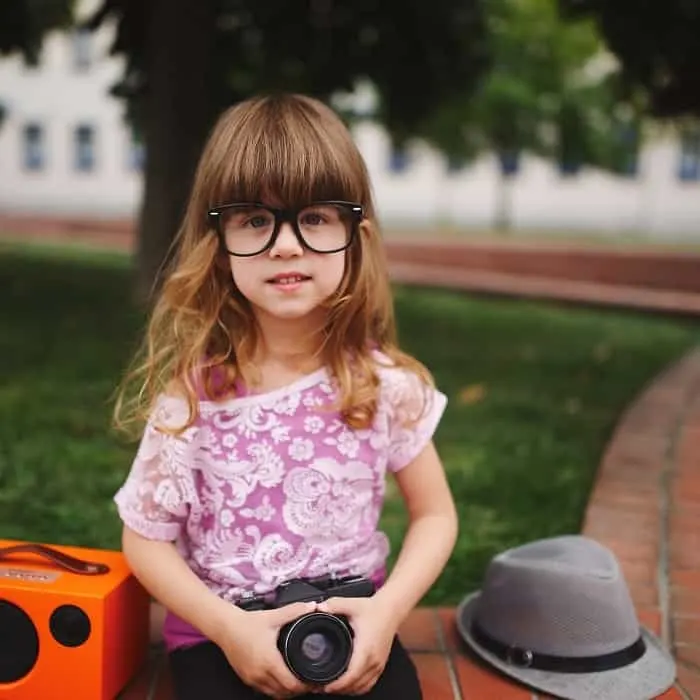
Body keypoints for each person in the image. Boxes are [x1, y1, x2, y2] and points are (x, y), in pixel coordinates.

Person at [111, 92, 458, 700]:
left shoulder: (383, 386)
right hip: (224, 633)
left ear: (356, 236)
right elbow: (145, 538)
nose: (286, 244)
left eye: (316, 217)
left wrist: (386, 614)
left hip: (353, 622)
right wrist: (230, 630)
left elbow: (435, 516)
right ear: (218, 245)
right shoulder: (194, 398)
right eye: (254, 219)